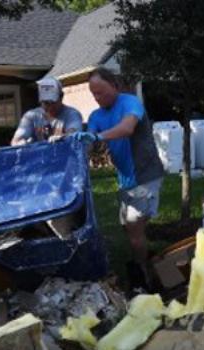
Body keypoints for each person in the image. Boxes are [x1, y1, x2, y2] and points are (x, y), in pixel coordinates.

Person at [72, 68, 164, 284]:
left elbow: (127, 128)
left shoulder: (130, 103)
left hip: (146, 176)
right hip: (126, 180)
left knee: (133, 224)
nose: (97, 98)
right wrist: (82, 145)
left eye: (101, 92)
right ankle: (147, 260)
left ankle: (145, 274)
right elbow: (90, 144)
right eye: (93, 93)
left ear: (115, 85)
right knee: (129, 228)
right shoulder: (96, 116)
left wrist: (98, 135)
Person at [11, 77, 84, 145]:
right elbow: (16, 141)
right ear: (40, 101)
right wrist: (21, 143)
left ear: (61, 97)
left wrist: (63, 137)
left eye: (53, 102)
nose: (50, 107)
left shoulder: (72, 114)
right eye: (46, 103)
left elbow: (74, 133)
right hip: (39, 157)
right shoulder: (31, 116)